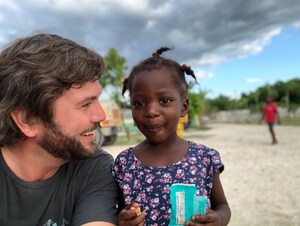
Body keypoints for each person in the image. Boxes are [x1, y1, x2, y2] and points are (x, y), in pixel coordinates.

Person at [0, 33, 144, 226]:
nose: (101, 115)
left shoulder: (93, 167)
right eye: (85, 104)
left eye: (97, 99)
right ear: (27, 120)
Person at [112, 47, 231, 225]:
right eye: (139, 103)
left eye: (164, 101)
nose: (151, 111)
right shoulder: (125, 163)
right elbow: (120, 210)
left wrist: (219, 219)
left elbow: (222, 205)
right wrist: (121, 220)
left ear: (183, 107)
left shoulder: (204, 158)